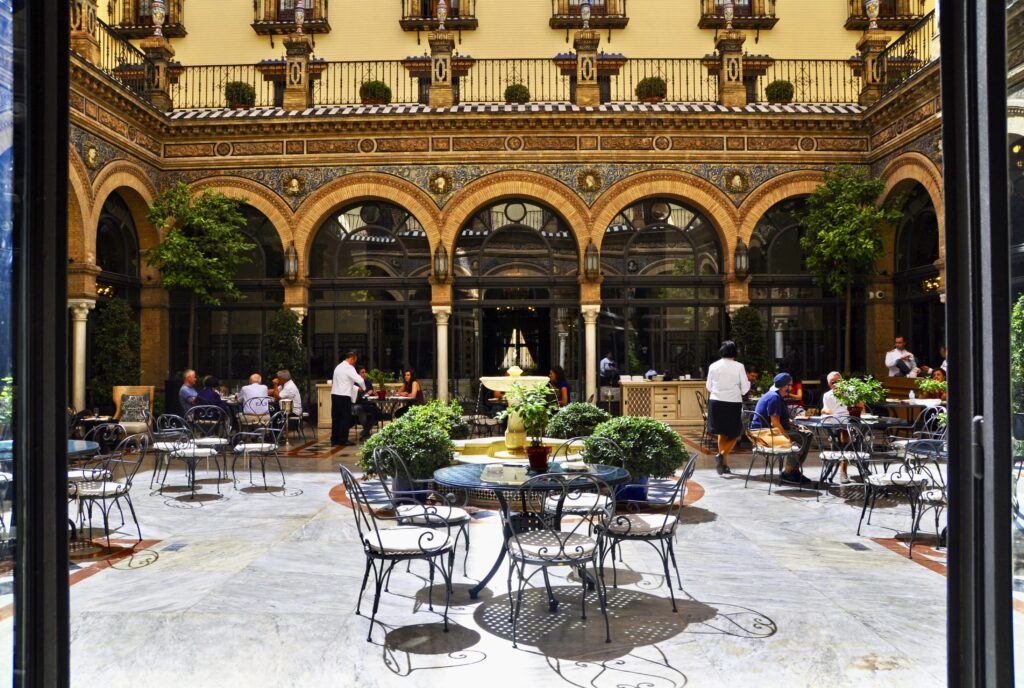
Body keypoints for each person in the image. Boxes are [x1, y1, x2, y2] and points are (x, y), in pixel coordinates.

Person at [750, 373, 813, 485]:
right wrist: (787, 436)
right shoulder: (774, 397)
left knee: (807, 434)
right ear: (784, 386)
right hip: (763, 434)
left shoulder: (776, 396)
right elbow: (775, 423)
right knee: (800, 438)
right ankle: (788, 472)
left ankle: (795, 470)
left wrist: (795, 424)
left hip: (767, 431)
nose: (791, 387)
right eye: (790, 385)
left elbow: (782, 418)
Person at [705, 340, 750, 476]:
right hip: (732, 402)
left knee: (721, 432)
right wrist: (743, 389)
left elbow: (708, 386)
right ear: (734, 351)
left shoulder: (713, 366)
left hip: (716, 402)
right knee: (735, 433)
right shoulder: (739, 366)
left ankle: (724, 464)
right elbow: (745, 387)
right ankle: (722, 455)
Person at [331, 351, 364, 446]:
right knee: (345, 418)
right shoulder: (349, 367)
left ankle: (334, 440)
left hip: (335, 395)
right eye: (355, 361)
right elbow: (359, 380)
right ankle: (343, 440)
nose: (355, 363)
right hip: (344, 396)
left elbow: (345, 382)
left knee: (336, 418)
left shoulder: (338, 367)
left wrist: (357, 388)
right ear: (351, 358)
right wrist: (364, 388)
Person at [353, 367, 380, 440]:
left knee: (377, 411)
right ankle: (366, 431)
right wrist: (365, 393)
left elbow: (372, 392)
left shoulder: (368, 382)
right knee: (359, 409)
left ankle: (365, 431)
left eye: (365, 372)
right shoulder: (354, 383)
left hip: (368, 403)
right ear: (358, 374)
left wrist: (372, 392)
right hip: (358, 403)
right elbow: (356, 395)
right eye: (362, 372)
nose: (364, 374)